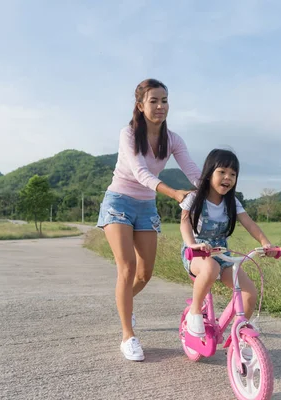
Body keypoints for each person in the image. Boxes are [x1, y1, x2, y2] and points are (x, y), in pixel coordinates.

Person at [97, 78, 202, 361]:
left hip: (146, 207)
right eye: (153, 101)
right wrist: (175, 194)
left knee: (145, 274)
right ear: (140, 105)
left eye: (164, 100)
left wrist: (214, 191)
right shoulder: (129, 134)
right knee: (127, 268)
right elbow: (142, 173)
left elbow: (192, 170)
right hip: (119, 202)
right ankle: (128, 334)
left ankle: (123, 304)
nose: (160, 106)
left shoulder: (173, 140)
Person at [179, 149, 278, 337]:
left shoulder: (232, 202)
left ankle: (239, 334)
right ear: (209, 174)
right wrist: (192, 244)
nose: (228, 177)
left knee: (249, 292)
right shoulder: (194, 198)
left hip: (222, 253)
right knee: (210, 269)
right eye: (222, 172)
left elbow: (250, 224)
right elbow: (184, 223)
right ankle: (195, 312)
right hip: (197, 253)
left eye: (233, 174)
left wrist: (265, 242)